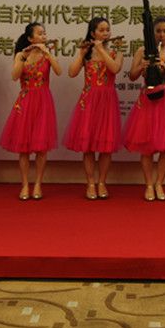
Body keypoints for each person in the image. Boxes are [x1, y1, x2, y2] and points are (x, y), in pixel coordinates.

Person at [123, 17, 165, 201]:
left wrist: (163, 65)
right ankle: (149, 184)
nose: (162, 35)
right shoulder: (142, 51)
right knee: (147, 146)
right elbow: (132, 76)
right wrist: (142, 66)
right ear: (152, 33)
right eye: (158, 31)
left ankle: (159, 183)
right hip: (148, 99)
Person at [0, 22, 61, 200]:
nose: (44, 36)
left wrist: (47, 53)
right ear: (30, 38)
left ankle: (38, 184)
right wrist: (24, 56)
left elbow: (59, 71)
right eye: (40, 34)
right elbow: (15, 76)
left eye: (44, 33)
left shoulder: (47, 53)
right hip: (25, 101)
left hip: (43, 101)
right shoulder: (21, 54)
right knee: (24, 148)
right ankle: (25, 184)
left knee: (42, 149)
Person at [64, 17, 123, 200]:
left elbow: (114, 69)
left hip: (107, 101)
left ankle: (102, 182)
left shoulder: (116, 52)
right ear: (92, 33)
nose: (106, 33)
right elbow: (72, 73)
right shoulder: (87, 53)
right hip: (89, 101)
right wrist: (81, 54)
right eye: (101, 30)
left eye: (107, 30)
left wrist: (101, 50)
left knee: (106, 146)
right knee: (88, 146)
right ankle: (90, 183)